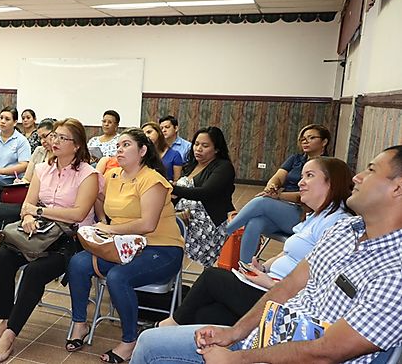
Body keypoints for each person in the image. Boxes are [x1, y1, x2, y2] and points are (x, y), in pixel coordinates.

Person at [132, 146, 402, 364]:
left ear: (397, 188)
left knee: (209, 286)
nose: (358, 177)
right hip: (268, 336)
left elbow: (327, 352)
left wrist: (238, 359)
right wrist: (234, 332)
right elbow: (289, 286)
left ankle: (226, 231)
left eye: (371, 170)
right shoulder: (345, 230)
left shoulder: (395, 272)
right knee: (150, 343)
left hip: (290, 355)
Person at [155, 157, 353, 328]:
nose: (300, 182)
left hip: (282, 299)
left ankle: (166, 326)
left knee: (212, 277)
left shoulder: (336, 223)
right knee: (206, 315)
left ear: (332, 182)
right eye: (301, 176)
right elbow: (288, 253)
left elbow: (321, 280)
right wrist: (262, 268)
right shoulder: (315, 216)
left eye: (309, 176)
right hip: (268, 285)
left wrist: (272, 282)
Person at [0, 118, 101, 362]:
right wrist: (28, 216)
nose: (54, 141)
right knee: (1, 258)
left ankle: (10, 335)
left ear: (77, 145)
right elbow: (28, 203)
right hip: (38, 232)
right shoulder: (42, 169)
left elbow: (78, 214)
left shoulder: (89, 174)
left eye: (62, 138)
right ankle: (5, 320)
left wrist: (38, 211)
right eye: (54, 136)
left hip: (70, 238)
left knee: (35, 272)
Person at [67, 128, 185, 363]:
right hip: (122, 246)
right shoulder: (112, 177)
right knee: (78, 263)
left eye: (126, 145)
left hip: (161, 248)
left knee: (119, 278)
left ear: (142, 151)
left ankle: (130, 341)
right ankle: (80, 323)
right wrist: (101, 221)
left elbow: (147, 224)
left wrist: (109, 229)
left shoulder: (153, 180)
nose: (119, 149)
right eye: (118, 145)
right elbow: (101, 202)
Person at [225, 124, 331, 263]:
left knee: (261, 202)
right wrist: (272, 187)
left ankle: (224, 233)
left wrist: (278, 196)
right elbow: (278, 177)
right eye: (303, 139)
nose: (305, 141)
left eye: (311, 138)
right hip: (282, 209)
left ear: (324, 141)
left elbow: (306, 197)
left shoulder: (327, 165)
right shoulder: (296, 159)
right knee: (255, 222)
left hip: (304, 214)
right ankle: (246, 268)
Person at [172, 126, 236, 267]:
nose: (198, 149)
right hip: (184, 217)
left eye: (205, 145)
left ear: (217, 149)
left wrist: (172, 188)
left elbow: (206, 193)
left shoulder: (223, 167)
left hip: (206, 223)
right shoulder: (191, 166)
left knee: (167, 234)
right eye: (196, 144)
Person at [0, 118, 55, 234]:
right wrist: (20, 182)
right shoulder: (39, 151)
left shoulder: (61, 156)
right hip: (28, 191)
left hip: (43, 198)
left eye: (45, 136)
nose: (42, 141)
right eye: (40, 138)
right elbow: (27, 178)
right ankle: (3, 233)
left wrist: (1, 171)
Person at [0, 106, 31, 247]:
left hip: (12, 181)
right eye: (1, 118)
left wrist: (1, 171)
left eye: (7, 119)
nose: (2, 121)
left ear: (15, 122)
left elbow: (24, 165)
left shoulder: (20, 141)